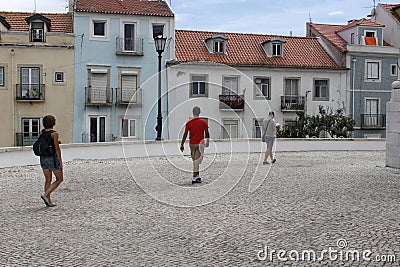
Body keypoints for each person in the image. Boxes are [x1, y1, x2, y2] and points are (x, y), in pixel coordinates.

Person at [180, 106, 210, 184]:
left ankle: (197, 176)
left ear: (193, 113)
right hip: (200, 143)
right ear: (199, 112)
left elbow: (185, 134)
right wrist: (208, 141)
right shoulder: (203, 122)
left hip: (192, 143)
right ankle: (194, 176)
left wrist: (182, 144)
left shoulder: (189, 123)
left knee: (195, 160)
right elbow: (206, 132)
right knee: (197, 160)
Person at [40, 115, 63, 207]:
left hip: (43, 158)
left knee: (48, 179)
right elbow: (57, 148)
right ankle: (46, 195)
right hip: (52, 158)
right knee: (59, 179)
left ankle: (48, 201)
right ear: (53, 123)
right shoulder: (54, 134)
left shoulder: (42, 132)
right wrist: (60, 161)